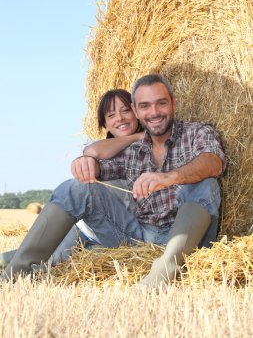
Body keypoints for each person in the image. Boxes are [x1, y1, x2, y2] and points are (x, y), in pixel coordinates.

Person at [1, 74, 226, 288]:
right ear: (136, 112)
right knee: (76, 188)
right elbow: (98, 164)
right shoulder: (134, 150)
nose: (155, 112)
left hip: (183, 237)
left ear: (173, 103)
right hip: (137, 236)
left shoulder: (197, 132)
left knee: (205, 183)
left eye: (161, 103)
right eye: (145, 106)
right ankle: (17, 272)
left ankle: (164, 272)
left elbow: (213, 162)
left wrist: (170, 177)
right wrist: (86, 163)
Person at [0, 89, 143, 270]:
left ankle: (17, 271)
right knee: (41, 252)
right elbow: (92, 151)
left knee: (53, 261)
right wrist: (136, 135)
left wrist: (140, 138)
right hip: (83, 228)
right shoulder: (101, 147)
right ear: (105, 124)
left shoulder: (148, 147)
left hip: (114, 231)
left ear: (136, 112)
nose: (120, 118)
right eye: (111, 115)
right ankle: (9, 263)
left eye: (125, 111)